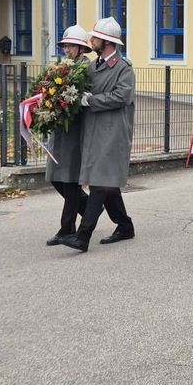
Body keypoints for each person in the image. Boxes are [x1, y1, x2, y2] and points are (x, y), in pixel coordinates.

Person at [59, 17, 136, 253]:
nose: (91, 41)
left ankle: (82, 236)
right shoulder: (94, 66)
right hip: (94, 131)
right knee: (106, 183)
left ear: (107, 42)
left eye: (95, 38)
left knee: (99, 183)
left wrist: (91, 100)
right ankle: (125, 225)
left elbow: (122, 96)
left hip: (113, 132)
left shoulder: (124, 68)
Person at [44, 25, 91, 247]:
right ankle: (89, 208)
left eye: (70, 45)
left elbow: (84, 97)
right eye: (64, 45)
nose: (66, 49)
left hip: (75, 130)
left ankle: (67, 228)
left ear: (81, 48)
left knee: (70, 180)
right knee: (55, 176)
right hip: (60, 129)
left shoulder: (86, 68)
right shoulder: (64, 66)